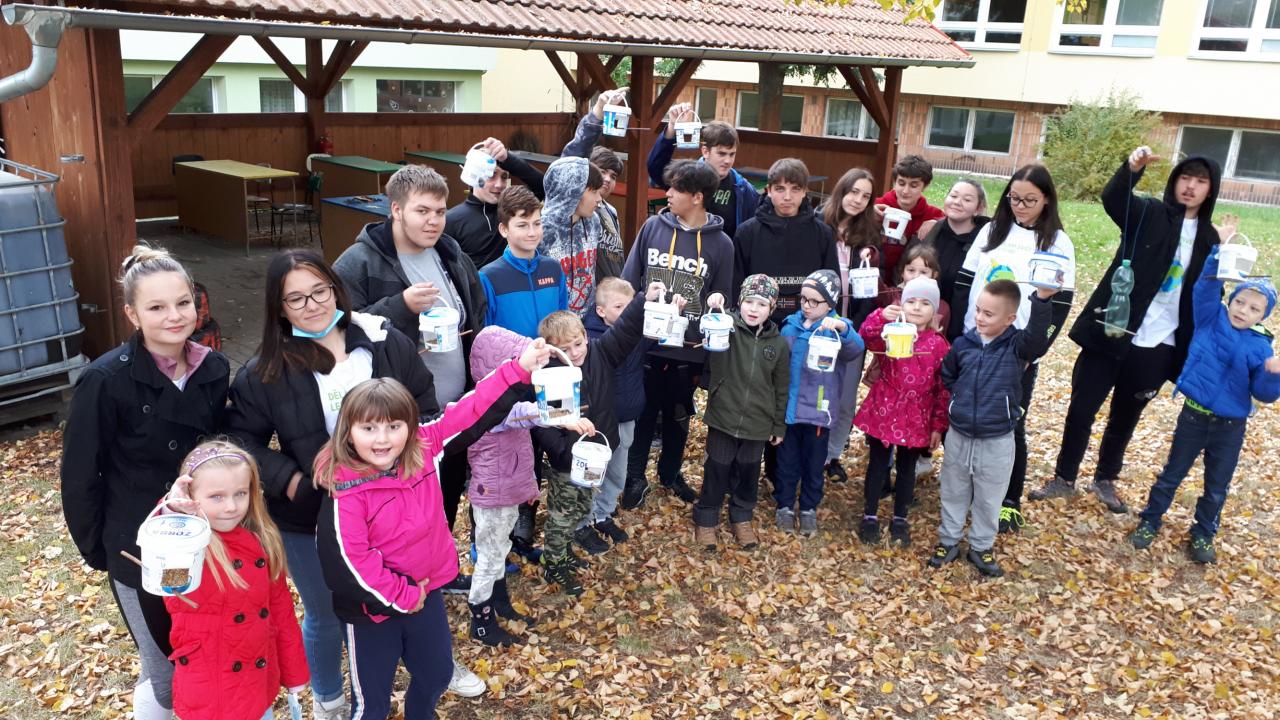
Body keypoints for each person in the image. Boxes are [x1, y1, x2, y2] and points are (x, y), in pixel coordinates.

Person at [222, 250, 478, 715]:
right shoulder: (265, 370)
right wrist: (291, 480)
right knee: (326, 611)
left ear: (335, 289)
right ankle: (329, 698)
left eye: (319, 291)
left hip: (392, 508)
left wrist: (413, 461)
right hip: (309, 515)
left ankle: (431, 665)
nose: (312, 305)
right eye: (296, 298)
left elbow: (423, 404)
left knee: (411, 587)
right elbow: (240, 441)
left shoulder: (383, 341)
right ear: (279, 308)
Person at [315, 341, 549, 719]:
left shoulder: (424, 447)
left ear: (410, 427)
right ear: (348, 432)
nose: (382, 439)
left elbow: (472, 409)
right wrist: (404, 596)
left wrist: (519, 368)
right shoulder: (345, 490)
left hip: (426, 594)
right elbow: (350, 561)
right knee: (372, 704)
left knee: (437, 674)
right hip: (372, 612)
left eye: (394, 427)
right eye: (369, 428)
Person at [61, 245, 230, 720]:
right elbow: (79, 474)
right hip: (140, 547)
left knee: (199, 650)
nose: (174, 316)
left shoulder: (214, 368)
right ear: (132, 315)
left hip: (203, 537)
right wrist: (101, 550)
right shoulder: (105, 380)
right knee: (165, 666)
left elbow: (218, 449)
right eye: (156, 307)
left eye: (183, 302)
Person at [1032, 149, 1224, 515]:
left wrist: (1222, 253)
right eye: (1185, 178)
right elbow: (1114, 199)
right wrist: (1131, 170)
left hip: (1161, 343)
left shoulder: (1210, 239)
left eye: (1200, 181)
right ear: (1175, 181)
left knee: (1125, 416)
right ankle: (1064, 478)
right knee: (1082, 408)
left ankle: (1105, 478)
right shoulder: (1149, 214)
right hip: (1113, 329)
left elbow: (1212, 297)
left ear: (1210, 189)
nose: (1190, 186)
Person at [334, 164, 485, 535]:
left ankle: (440, 559)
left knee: (444, 499)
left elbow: (476, 309)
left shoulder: (450, 253)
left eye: (440, 211)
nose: (434, 221)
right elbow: (339, 328)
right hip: (396, 420)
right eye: (422, 211)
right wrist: (400, 306)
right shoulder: (358, 262)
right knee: (401, 514)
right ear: (396, 210)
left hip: (451, 414)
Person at [1128, 248, 1280, 564]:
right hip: (1194, 417)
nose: (1243, 310)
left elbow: (1263, 394)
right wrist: (1218, 256)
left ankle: (1203, 533)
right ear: (1230, 300)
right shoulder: (1211, 318)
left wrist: (1272, 374)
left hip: (1230, 427)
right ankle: (1150, 520)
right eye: (1239, 302)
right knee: (1172, 474)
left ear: (1263, 316)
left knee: (1216, 486)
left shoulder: (1261, 347)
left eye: (1254, 308)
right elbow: (1205, 287)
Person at [953, 164, 1076, 533]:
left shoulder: (1058, 242)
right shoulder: (992, 230)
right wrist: (959, 335)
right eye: (1014, 198)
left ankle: (1009, 499)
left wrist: (1035, 351)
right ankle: (969, 489)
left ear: (1047, 200)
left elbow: (1061, 303)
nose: (1020, 206)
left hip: (1018, 348)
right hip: (976, 341)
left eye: (1029, 200)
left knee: (1010, 424)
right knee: (968, 415)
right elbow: (965, 282)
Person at [160, 441, 309, 720]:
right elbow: (170, 586)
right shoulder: (186, 547)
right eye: (216, 497)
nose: (231, 506)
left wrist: (294, 674)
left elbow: (282, 615)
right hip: (210, 691)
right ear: (190, 495)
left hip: (256, 684)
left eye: (240, 493)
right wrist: (173, 511)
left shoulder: (263, 542)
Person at [533, 281, 662, 593]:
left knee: (583, 506)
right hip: (567, 462)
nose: (574, 353)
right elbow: (545, 425)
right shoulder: (552, 377)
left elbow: (626, 330)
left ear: (586, 337)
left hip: (597, 453)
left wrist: (643, 299)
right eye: (564, 349)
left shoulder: (601, 353)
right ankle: (554, 562)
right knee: (563, 516)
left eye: (578, 344)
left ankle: (565, 552)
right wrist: (563, 452)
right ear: (551, 349)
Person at [620, 160, 735, 508]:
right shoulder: (652, 227)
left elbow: (722, 295)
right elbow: (628, 281)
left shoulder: (722, 244)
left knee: (677, 416)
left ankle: (670, 474)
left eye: (676, 189)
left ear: (697, 197)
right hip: (647, 343)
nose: (667, 193)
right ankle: (635, 477)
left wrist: (717, 303)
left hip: (688, 349)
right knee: (643, 413)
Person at [931, 280, 1057, 578]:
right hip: (960, 433)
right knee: (954, 488)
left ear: (1010, 319)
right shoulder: (963, 345)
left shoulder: (1017, 347)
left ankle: (981, 546)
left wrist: (1042, 300)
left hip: (997, 438)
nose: (979, 317)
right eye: (978, 310)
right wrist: (961, 400)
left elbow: (1037, 338)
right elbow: (948, 375)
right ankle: (948, 540)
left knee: (990, 496)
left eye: (988, 314)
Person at [464, 326, 569, 646]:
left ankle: (500, 603)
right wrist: (561, 414)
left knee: (498, 551)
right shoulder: (487, 407)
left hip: (505, 493)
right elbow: (524, 415)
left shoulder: (500, 401)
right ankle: (481, 621)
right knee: (489, 558)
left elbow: (521, 429)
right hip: (493, 497)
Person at [693, 275, 789, 550]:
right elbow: (707, 326)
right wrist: (713, 304)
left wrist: (778, 425)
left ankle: (742, 516)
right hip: (724, 415)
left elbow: (781, 387)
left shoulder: (778, 345)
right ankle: (707, 517)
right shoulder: (727, 327)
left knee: (748, 472)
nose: (754, 309)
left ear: (771, 308)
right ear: (740, 302)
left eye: (762, 304)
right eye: (749, 301)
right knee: (717, 468)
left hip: (758, 423)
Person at [855, 277, 950, 548]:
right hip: (884, 409)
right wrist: (880, 316)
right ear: (902, 304)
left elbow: (943, 389)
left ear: (935, 310)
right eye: (911, 301)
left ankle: (900, 518)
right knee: (877, 463)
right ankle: (870, 515)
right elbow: (865, 337)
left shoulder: (939, 345)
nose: (917, 307)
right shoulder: (891, 331)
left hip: (917, 415)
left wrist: (938, 425)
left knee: (907, 469)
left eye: (925, 303)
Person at [776, 270, 864, 536]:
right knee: (787, 463)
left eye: (815, 301)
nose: (807, 305)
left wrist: (843, 328)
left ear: (830, 303)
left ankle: (808, 508)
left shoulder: (836, 329)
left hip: (818, 413)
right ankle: (785, 506)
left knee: (814, 466)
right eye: (804, 299)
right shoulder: (790, 326)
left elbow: (856, 349)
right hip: (791, 411)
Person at [577, 277, 655, 550]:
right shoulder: (590, 341)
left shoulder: (638, 331)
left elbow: (656, 341)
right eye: (619, 306)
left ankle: (603, 513)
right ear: (601, 310)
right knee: (592, 474)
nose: (627, 312)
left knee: (617, 473)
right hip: (599, 423)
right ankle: (582, 521)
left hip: (627, 416)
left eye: (630, 306)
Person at [821, 168, 885, 484]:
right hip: (819, 325)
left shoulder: (870, 237)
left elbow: (869, 292)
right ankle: (812, 450)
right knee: (817, 391)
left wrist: (854, 329)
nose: (858, 200)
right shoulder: (819, 226)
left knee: (845, 398)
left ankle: (833, 455)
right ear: (842, 190)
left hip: (851, 328)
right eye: (854, 192)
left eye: (865, 196)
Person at [732, 157, 839, 323]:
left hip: (808, 324)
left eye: (795, 189)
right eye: (780, 189)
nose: (787, 197)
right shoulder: (747, 232)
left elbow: (832, 285)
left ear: (805, 191)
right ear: (769, 190)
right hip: (758, 324)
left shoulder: (823, 234)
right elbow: (736, 286)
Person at [647, 107, 760, 238]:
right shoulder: (687, 177)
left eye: (732, 154)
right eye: (722, 153)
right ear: (705, 151)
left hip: (724, 250)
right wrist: (672, 128)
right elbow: (655, 167)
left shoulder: (743, 189)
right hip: (685, 247)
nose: (728, 160)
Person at [444, 136, 547, 270]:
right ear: (474, 175)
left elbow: (544, 186)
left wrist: (507, 159)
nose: (499, 185)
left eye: (504, 177)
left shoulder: (511, 210)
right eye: (491, 175)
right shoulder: (452, 220)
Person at [478, 185, 567, 338]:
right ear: (504, 229)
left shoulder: (554, 269)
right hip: (511, 355)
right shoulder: (488, 277)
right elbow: (485, 337)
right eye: (522, 225)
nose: (532, 233)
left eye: (537, 224)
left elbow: (564, 320)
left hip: (552, 353)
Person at [920, 178, 990, 342]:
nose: (957, 202)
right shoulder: (930, 233)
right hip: (927, 323)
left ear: (978, 208)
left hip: (966, 326)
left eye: (967, 199)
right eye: (953, 196)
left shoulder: (986, 240)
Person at [538, 156, 606, 316]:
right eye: (594, 191)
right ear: (573, 192)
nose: (599, 199)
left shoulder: (594, 221)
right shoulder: (540, 230)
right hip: (553, 320)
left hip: (587, 318)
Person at [873, 155, 945, 281]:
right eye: (901, 183)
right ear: (894, 182)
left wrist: (938, 222)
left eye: (913, 185)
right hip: (873, 278)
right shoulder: (876, 206)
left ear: (925, 186)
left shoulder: (933, 214)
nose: (905, 191)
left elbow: (956, 222)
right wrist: (866, 216)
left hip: (910, 283)